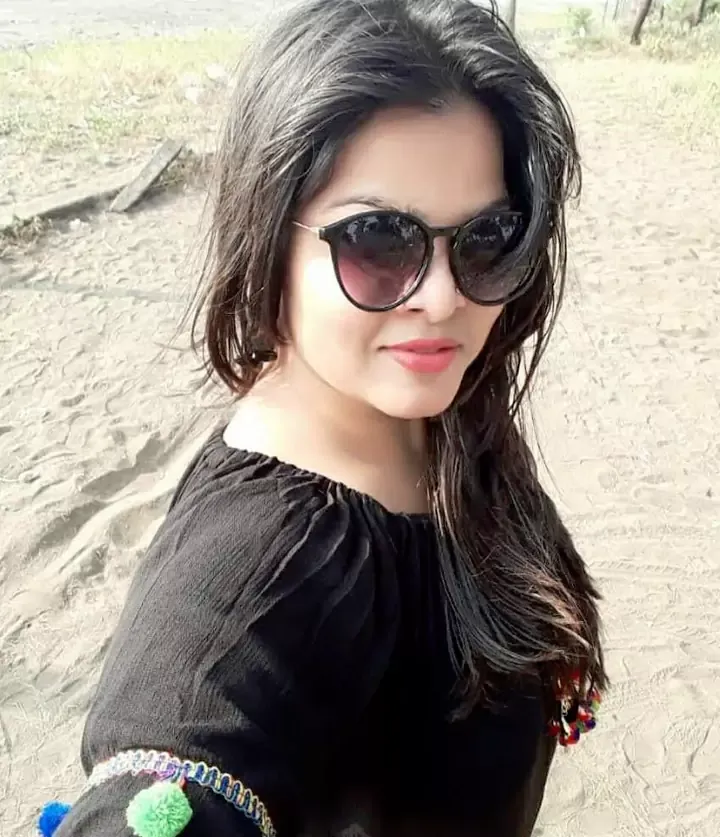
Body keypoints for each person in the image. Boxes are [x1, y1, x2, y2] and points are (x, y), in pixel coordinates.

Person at [44, 1, 606, 836]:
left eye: (488, 237)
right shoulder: (256, 567)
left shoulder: (445, 414)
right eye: (379, 240)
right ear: (269, 236)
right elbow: (163, 781)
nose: (443, 297)